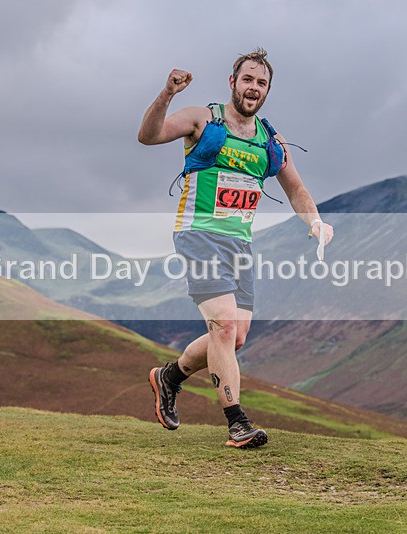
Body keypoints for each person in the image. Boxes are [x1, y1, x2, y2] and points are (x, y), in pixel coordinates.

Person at [138, 48, 333, 449]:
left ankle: (169, 377)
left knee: (234, 336)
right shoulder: (202, 119)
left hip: (239, 245)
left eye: (261, 83)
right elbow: (148, 135)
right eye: (247, 79)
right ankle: (237, 423)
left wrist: (314, 221)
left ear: (267, 90)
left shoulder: (270, 141)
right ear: (233, 82)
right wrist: (167, 93)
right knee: (224, 326)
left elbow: (296, 188)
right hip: (199, 235)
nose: (253, 88)